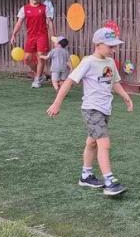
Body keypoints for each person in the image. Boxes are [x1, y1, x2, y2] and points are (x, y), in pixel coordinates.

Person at [47, 27, 133, 197]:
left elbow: (114, 82)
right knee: (104, 143)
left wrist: (125, 96)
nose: (113, 49)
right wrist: (57, 103)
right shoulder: (88, 62)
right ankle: (109, 181)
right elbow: (69, 82)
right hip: (92, 109)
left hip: (105, 109)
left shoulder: (110, 62)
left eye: (114, 46)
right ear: (98, 44)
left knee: (92, 143)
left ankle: (86, 175)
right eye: (110, 46)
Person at [10, 0, 54, 88]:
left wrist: (53, 37)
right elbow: (19, 23)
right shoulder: (24, 9)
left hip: (42, 35)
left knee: (40, 57)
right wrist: (13, 35)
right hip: (30, 36)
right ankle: (40, 75)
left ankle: (37, 79)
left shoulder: (44, 8)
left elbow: (50, 23)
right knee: (27, 59)